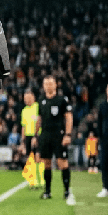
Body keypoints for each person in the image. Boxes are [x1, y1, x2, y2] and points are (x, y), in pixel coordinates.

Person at [36, 75, 74, 204]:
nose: (48, 86)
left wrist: (68, 134)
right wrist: (36, 135)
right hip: (45, 135)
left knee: (62, 162)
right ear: (43, 86)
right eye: (46, 84)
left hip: (59, 135)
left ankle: (67, 191)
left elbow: (68, 117)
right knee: (46, 163)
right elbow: (39, 119)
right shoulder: (41, 100)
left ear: (55, 85)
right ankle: (47, 191)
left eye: (51, 83)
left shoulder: (62, 100)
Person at [20, 89, 39, 175]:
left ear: (33, 97)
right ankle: (32, 177)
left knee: (38, 157)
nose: (26, 100)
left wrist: (36, 136)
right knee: (29, 158)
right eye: (25, 98)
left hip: (37, 135)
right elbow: (23, 127)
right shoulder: (24, 110)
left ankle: (39, 176)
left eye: (28, 98)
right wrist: (22, 141)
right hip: (27, 136)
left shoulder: (38, 107)